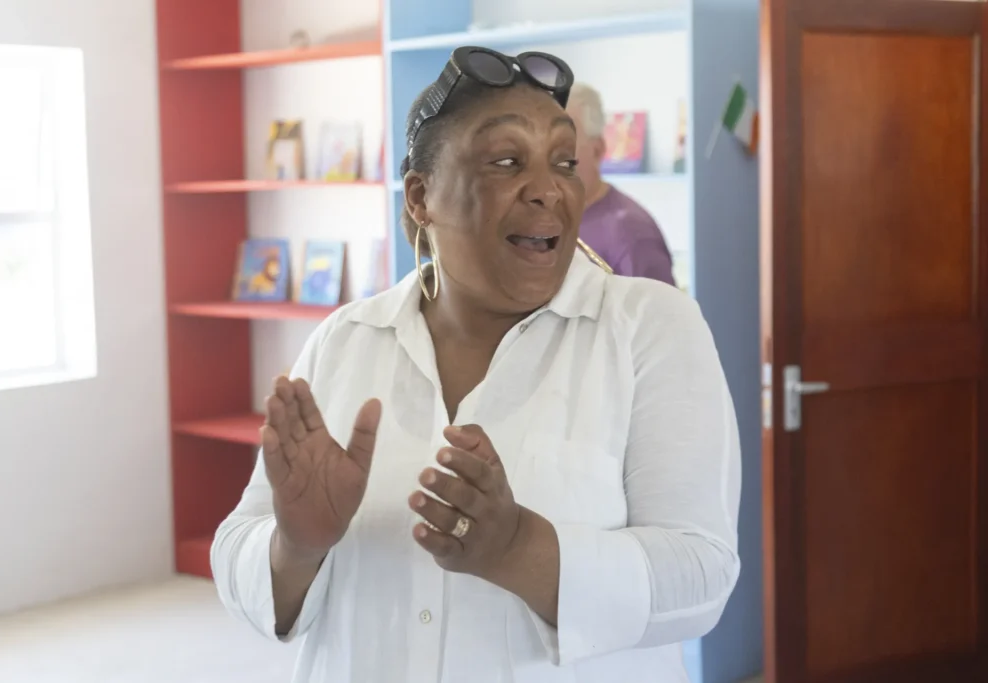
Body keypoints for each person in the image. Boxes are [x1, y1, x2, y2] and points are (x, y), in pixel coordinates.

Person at [211, 45, 741, 683]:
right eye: (506, 161)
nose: (548, 189)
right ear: (421, 197)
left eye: (564, 162)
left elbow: (702, 578)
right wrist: (296, 545)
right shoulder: (345, 340)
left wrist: (520, 549)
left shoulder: (650, 328)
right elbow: (238, 549)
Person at [566, 82, 678, 285]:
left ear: (598, 150)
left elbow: (659, 306)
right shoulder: (549, 221)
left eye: (565, 141)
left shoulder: (631, 233)